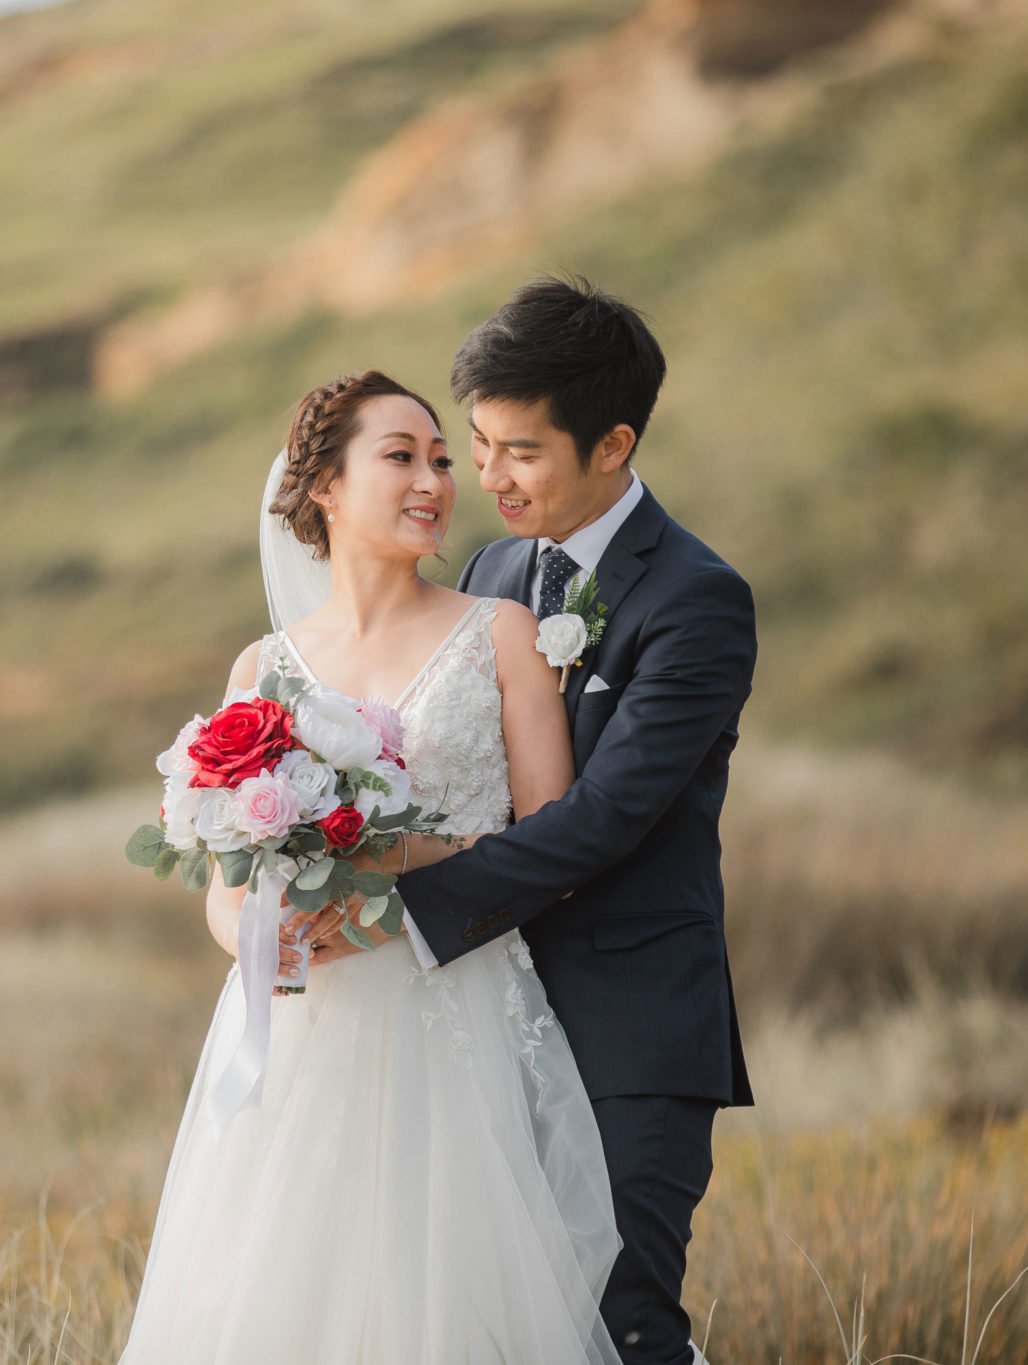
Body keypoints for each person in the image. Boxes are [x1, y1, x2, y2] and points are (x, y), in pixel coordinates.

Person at [119, 368, 624, 1364]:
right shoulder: (260, 670)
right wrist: (263, 941)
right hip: (301, 1023)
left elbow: (553, 841)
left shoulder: (500, 634)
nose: (434, 479)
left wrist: (383, 852)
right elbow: (227, 886)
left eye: (441, 460)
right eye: (400, 456)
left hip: (453, 1008)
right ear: (325, 487)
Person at [313, 276, 757, 1365]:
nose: (487, 478)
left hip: (626, 1023)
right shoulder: (491, 573)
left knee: (621, 1322)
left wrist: (395, 912)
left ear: (611, 444)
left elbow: (602, 819)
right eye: (477, 445)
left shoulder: (695, 599)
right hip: (472, 1025)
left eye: (520, 451)